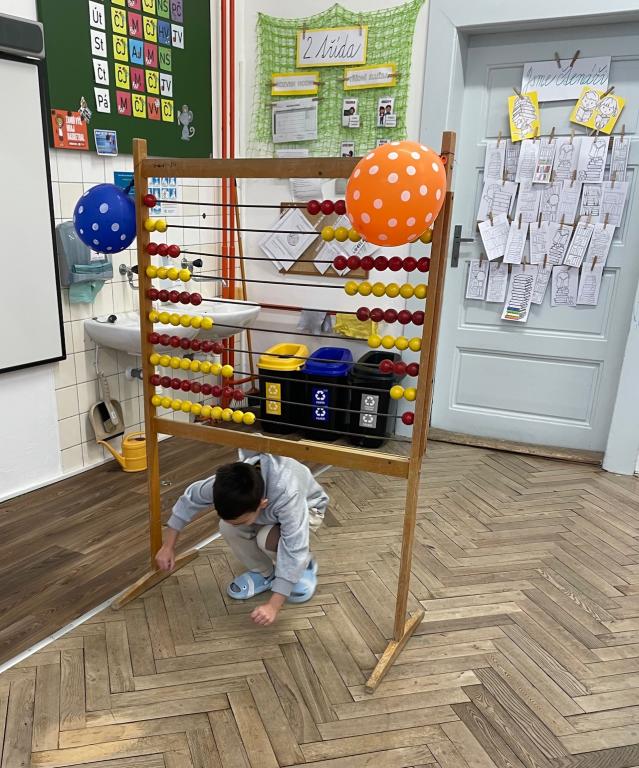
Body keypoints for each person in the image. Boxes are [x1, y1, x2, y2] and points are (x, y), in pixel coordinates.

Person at [155, 450, 329, 626]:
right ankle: (265, 573)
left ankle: (305, 565)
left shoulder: (288, 493)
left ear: (262, 504)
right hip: (270, 513)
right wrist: (168, 546)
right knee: (227, 527)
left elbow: (294, 545)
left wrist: (273, 606)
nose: (237, 524)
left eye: (242, 520)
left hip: (309, 508)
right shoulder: (223, 485)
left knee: (266, 539)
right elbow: (188, 500)